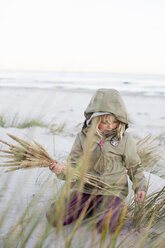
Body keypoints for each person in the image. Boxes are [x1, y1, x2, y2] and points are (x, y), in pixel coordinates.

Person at [46, 88, 147, 232]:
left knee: (105, 225)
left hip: (112, 191)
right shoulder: (82, 138)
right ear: (94, 119)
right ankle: (88, 207)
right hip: (85, 189)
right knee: (55, 217)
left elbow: (135, 166)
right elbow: (72, 167)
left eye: (115, 122)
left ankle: (109, 209)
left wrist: (140, 187)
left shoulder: (125, 140)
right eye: (105, 122)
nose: (110, 126)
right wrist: (60, 171)